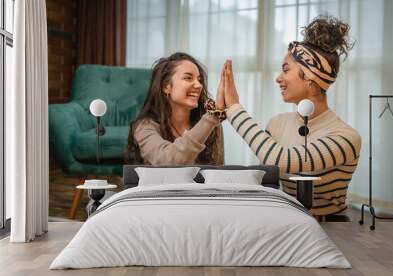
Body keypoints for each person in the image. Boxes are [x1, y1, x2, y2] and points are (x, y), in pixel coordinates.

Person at [219, 16, 362, 219]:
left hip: (332, 233)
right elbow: (268, 180)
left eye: (286, 69)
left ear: (311, 77)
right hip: (287, 227)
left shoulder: (347, 137)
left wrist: (233, 108)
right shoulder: (276, 124)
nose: (279, 78)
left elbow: (281, 160)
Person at [125, 52, 225, 165]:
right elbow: (168, 162)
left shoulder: (211, 125)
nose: (198, 85)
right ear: (165, 87)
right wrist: (211, 118)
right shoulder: (144, 127)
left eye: (199, 80)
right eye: (188, 78)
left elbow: (217, 171)